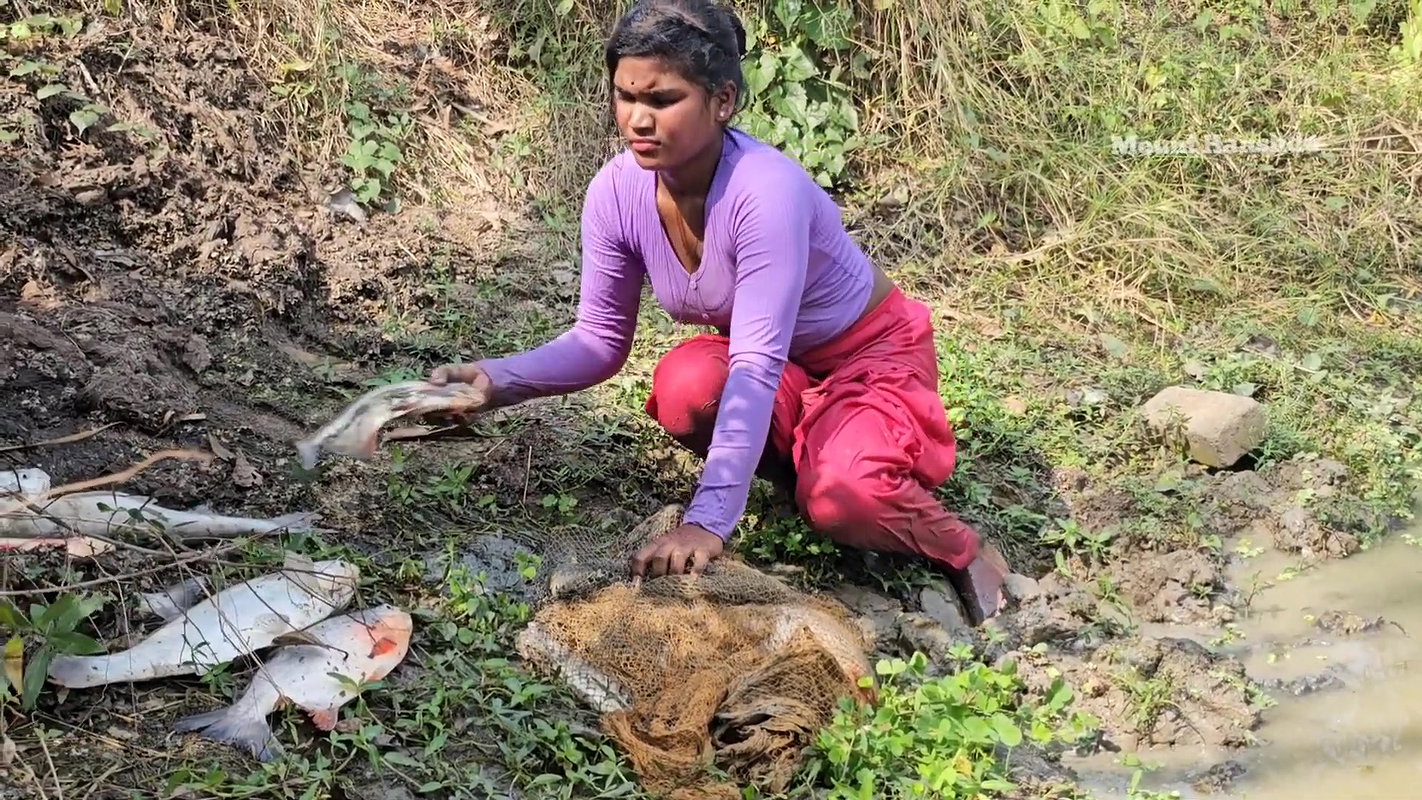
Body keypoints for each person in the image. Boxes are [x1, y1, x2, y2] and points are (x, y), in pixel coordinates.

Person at [429, 0, 1011, 622]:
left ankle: (965, 549)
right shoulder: (616, 192)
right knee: (686, 388)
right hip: (772, 360)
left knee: (849, 498)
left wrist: (706, 524)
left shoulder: (766, 193)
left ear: (723, 100)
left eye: (663, 99)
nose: (638, 120)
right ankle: (809, 471)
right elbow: (600, 340)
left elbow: (755, 366)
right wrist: (497, 381)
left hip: (866, 356)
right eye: (626, 97)